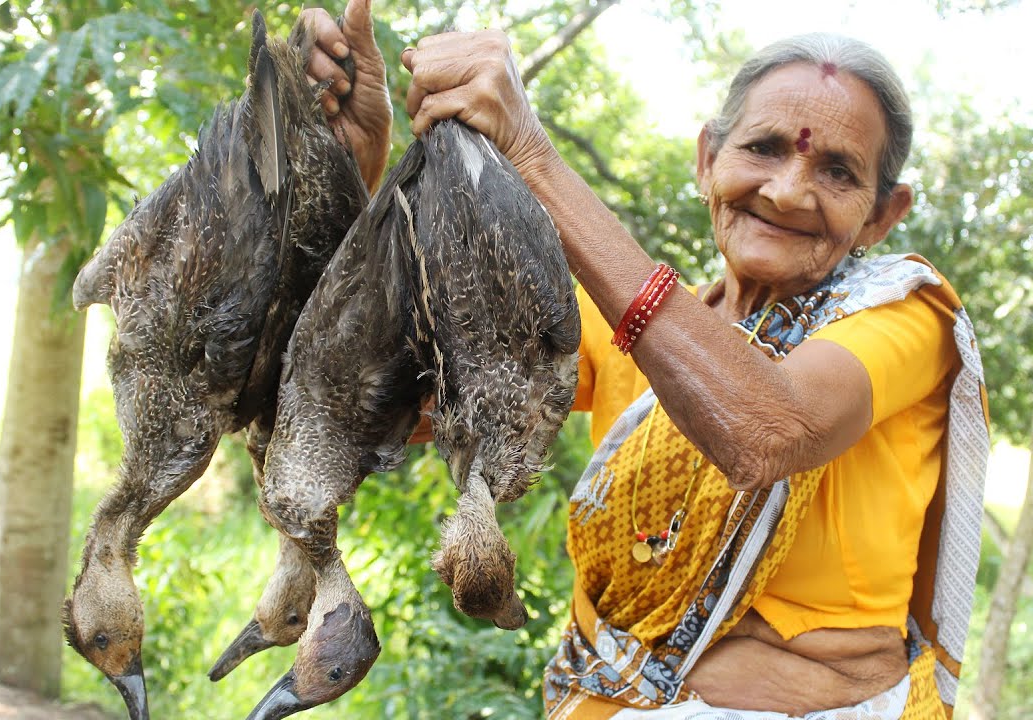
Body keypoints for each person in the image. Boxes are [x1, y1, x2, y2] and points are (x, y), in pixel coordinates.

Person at [301, 2, 990, 718]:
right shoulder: (635, 326)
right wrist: (348, 176)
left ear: (882, 214)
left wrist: (533, 158)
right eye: (764, 148)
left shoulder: (907, 317)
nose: (788, 189)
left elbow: (767, 430)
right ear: (706, 160)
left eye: (839, 171)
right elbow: (368, 397)